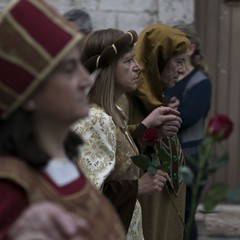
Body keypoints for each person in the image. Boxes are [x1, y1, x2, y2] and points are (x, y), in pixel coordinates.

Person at [0, 1, 125, 239]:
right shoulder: (12, 186)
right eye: (69, 69)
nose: (85, 80)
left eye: (80, 64)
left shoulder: (65, 163)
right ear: (29, 95)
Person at [72, 28, 179, 240]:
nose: (138, 67)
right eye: (129, 61)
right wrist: (138, 186)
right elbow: (88, 194)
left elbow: (116, 155)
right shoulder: (96, 119)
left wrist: (146, 129)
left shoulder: (114, 112)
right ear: (108, 69)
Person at [118, 23, 190, 240]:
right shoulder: (126, 97)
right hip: (146, 202)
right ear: (158, 59)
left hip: (164, 204)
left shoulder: (157, 97)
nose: (182, 70)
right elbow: (111, 143)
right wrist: (149, 130)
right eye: (178, 62)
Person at [165, 23, 212, 240]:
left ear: (190, 48)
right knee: (170, 215)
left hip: (191, 158)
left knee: (185, 215)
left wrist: (165, 111)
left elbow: (187, 118)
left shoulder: (201, 83)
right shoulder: (169, 77)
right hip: (169, 154)